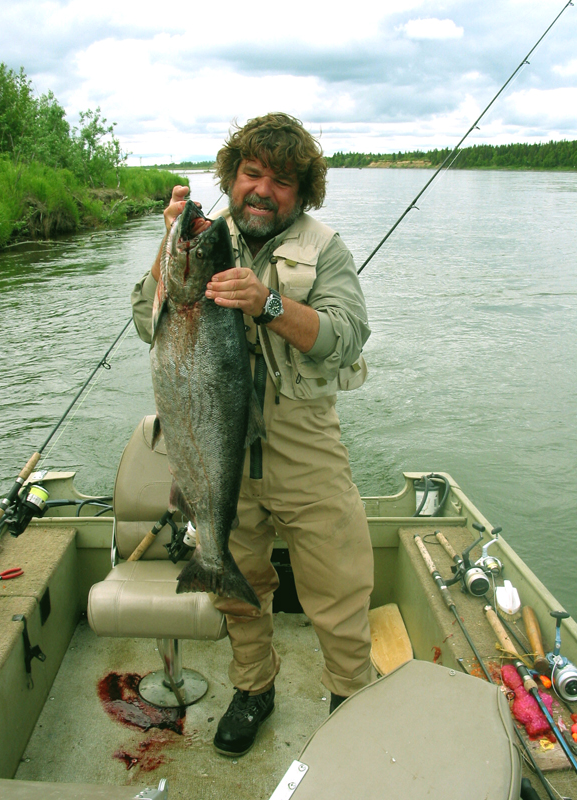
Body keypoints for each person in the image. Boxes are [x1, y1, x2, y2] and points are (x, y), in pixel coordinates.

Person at [131, 112, 375, 757]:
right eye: (251, 173)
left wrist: (268, 303)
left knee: (340, 587)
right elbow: (146, 321)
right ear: (231, 176)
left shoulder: (326, 248)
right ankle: (253, 689)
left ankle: (351, 698)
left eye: (282, 181)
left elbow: (347, 336)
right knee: (240, 589)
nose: (263, 190)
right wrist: (167, 245)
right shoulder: (202, 240)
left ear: (303, 192)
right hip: (217, 452)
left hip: (305, 447)